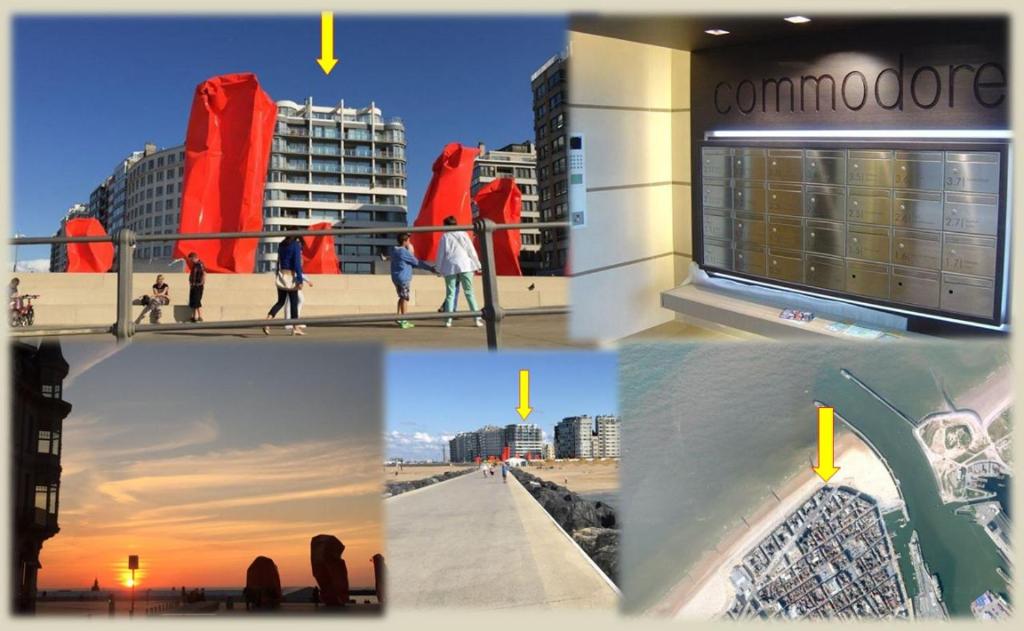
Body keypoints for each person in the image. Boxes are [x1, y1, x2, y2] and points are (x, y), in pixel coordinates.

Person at [434, 216, 483, 328]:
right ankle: (476, 319)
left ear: (446, 225)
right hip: (465, 266)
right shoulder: (463, 234)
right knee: (469, 293)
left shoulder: (445, 237)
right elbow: (471, 250)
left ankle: (448, 320)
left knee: (450, 294)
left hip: (450, 267)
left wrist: (438, 269)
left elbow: (441, 255)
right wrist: (478, 264)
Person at [389, 233, 437, 329]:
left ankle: (399, 317)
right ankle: (404, 320)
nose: (409, 242)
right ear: (405, 241)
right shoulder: (403, 252)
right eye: (408, 241)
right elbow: (417, 262)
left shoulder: (394, 251)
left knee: (401, 297)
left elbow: (409, 263)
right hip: (403, 278)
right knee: (405, 298)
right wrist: (431, 269)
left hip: (396, 277)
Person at [263, 235, 308, 336]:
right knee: (294, 303)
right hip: (290, 277)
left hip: (282, 276)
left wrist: (277, 274)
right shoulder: (295, 245)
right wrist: (300, 279)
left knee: (280, 302)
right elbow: (297, 264)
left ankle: (267, 321)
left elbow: (279, 261)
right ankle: (295, 328)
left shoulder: (282, 245)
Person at [186, 253, 206, 322]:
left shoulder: (200, 264)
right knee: (192, 302)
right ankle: (194, 317)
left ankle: (200, 317)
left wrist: (201, 282)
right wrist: (190, 283)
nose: (191, 261)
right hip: (193, 285)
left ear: (194, 257)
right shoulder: (194, 265)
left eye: (191, 259)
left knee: (197, 301)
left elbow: (204, 273)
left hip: (198, 286)